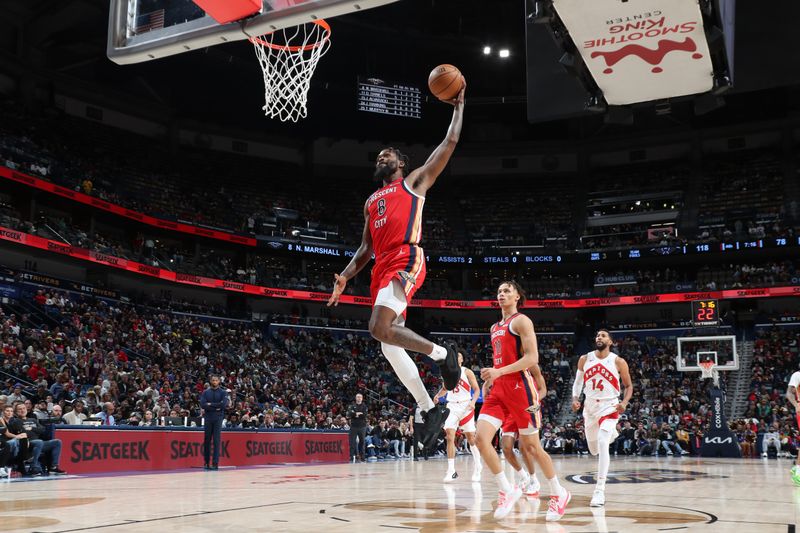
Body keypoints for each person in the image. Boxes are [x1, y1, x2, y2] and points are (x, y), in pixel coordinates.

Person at [327, 82, 467, 451]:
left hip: (406, 257)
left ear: (401, 163)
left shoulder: (414, 183)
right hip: (380, 267)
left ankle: (442, 355)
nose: (381, 157)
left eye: (387, 154)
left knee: (379, 328)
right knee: (388, 344)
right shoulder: (371, 201)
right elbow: (364, 250)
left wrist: (458, 108)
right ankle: (427, 408)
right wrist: (344, 276)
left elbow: (447, 146)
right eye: (379, 155)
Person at [475, 281, 570, 521]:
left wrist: (499, 372)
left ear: (517, 296)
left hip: (520, 388)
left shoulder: (521, 321)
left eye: (507, 290)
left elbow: (532, 358)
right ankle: (507, 489)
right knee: (480, 439)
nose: (502, 294)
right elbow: (500, 360)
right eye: (499, 291)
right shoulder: (494, 326)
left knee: (531, 448)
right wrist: (491, 378)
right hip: (498, 389)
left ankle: (559, 494)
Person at [572, 329, 633, 507]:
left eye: (603, 336)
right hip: (590, 407)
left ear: (611, 342)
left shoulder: (618, 361)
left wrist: (625, 402)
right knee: (593, 449)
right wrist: (576, 399)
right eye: (597, 335)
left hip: (609, 405)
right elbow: (578, 382)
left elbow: (628, 386)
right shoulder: (585, 359)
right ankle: (611, 433)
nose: (599, 337)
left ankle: (599, 490)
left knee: (602, 440)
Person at [434, 351, 482, 482]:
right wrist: (438, 396)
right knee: (449, 436)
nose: (456, 357)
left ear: (461, 360)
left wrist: (473, 402)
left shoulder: (467, 372)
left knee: (470, 438)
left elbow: (477, 389)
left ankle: (478, 466)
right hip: (452, 406)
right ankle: (451, 471)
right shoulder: (448, 372)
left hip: (466, 405)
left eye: (459, 355)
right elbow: (445, 389)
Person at [14, 403, 66, 475]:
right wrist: (35, 430)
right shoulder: (16, 421)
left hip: (38, 443)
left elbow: (42, 429)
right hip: (27, 443)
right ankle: (33, 467)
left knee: (57, 442)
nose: (22, 410)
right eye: (20, 409)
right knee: (39, 442)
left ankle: (53, 468)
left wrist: (31, 428)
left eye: (24, 408)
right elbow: (24, 432)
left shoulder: (33, 419)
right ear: (16, 412)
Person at [200, 375, 228, 470]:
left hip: (218, 418)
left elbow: (223, 405)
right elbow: (203, 405)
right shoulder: (205, 392)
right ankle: (206, 462)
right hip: (208, 417)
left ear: (219, 381)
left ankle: (215, 463)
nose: (215, 382)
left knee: (216, 440)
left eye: (216, 380)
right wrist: (217, 406)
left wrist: (210, 404)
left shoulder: (223, 392)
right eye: (213, 380)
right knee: (207, 440)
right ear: (210, 381)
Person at [786, 369, 800, 485]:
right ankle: (798, 473)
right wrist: (796, 405)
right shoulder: (797, 375)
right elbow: (789, 393)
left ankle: (796, 469)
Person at [347, 393, 368, 462]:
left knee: (362, 442)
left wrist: (355, 414)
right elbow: (349, 414)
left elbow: (364, 415)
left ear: (362, 398)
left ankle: (362, 457)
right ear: (356, 398)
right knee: (352, 442)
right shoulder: (352, 406)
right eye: (357, 397)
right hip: (353, 426)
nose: (359, 398)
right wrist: (357, 414)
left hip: (362, 426)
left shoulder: (364, 406)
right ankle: (351, 456)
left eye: (360, 397)